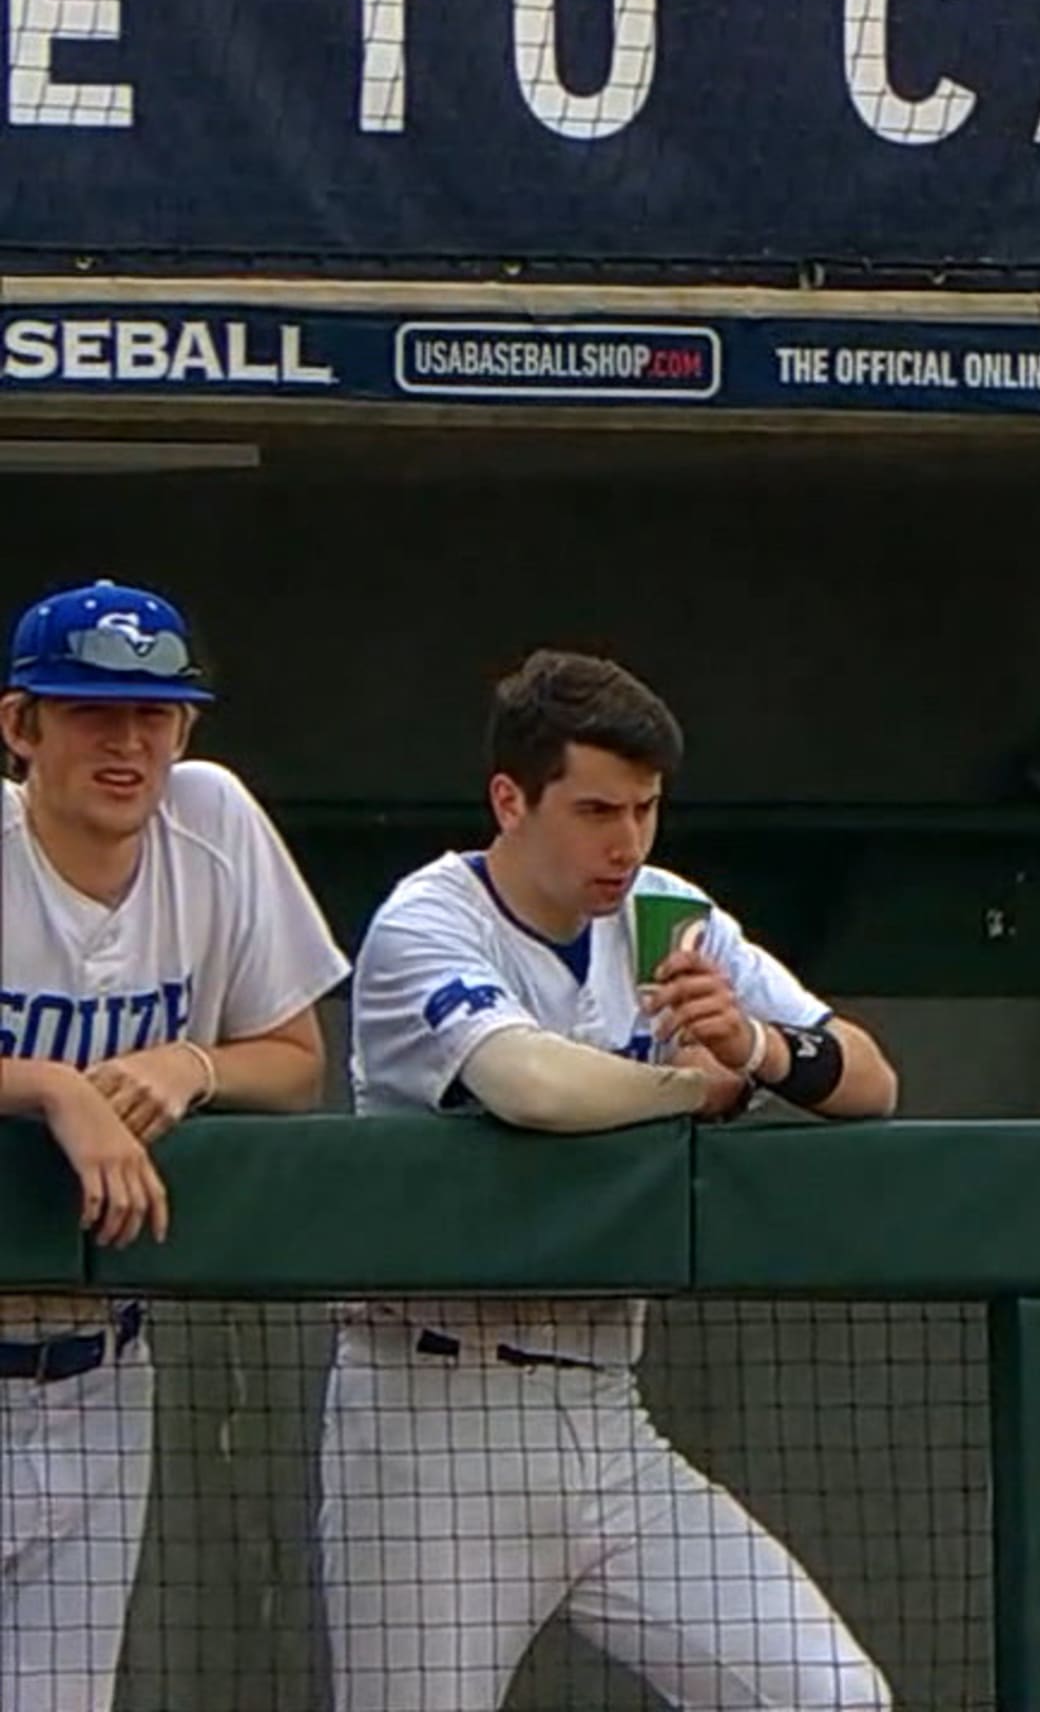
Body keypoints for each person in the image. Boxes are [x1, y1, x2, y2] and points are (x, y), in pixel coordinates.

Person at [326, 648, 899, 1712]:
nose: (625, 841)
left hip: (605, 1411)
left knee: (832, 1701)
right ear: (512, 799)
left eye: (643, 809)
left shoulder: (668, 913)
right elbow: (529, 1084)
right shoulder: (429, 920)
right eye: (595, 810)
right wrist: (703, 1093)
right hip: (431, 1417)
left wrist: (762, 1052)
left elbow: (871, 1078)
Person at [0, 579, 348, 1712]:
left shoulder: (214, 822)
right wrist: (48, 1084)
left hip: (104, 1372)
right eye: (91, 710)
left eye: (154, 714)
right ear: (21, 725)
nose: (129, 741)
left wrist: (194, 1064)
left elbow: (294, 1060)